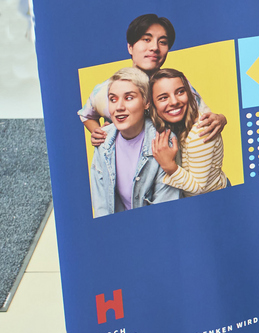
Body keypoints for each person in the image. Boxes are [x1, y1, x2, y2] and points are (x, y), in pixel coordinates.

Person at [80, 14, 225, 148]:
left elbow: (206, 117)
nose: (155, 47)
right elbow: (86, 114)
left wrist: (220, 119)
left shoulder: (177, 84)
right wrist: (99, 133)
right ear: (130, 47)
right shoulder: (108, 89)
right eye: (146, 39)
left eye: (162, 42)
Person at [89, 67, 180, 217]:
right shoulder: (103, 139)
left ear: (146, 102)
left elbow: (165, 211)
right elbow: (101, 206)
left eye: (129, 98)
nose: (119, 107)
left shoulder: (165, 142)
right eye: (113, 99)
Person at [149, 68, 229, 197]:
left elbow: (198, 189)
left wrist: (169, 166)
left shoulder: (199, 133)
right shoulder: (177, 124)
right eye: (163, 98)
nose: (174, 102)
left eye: (180, 92)